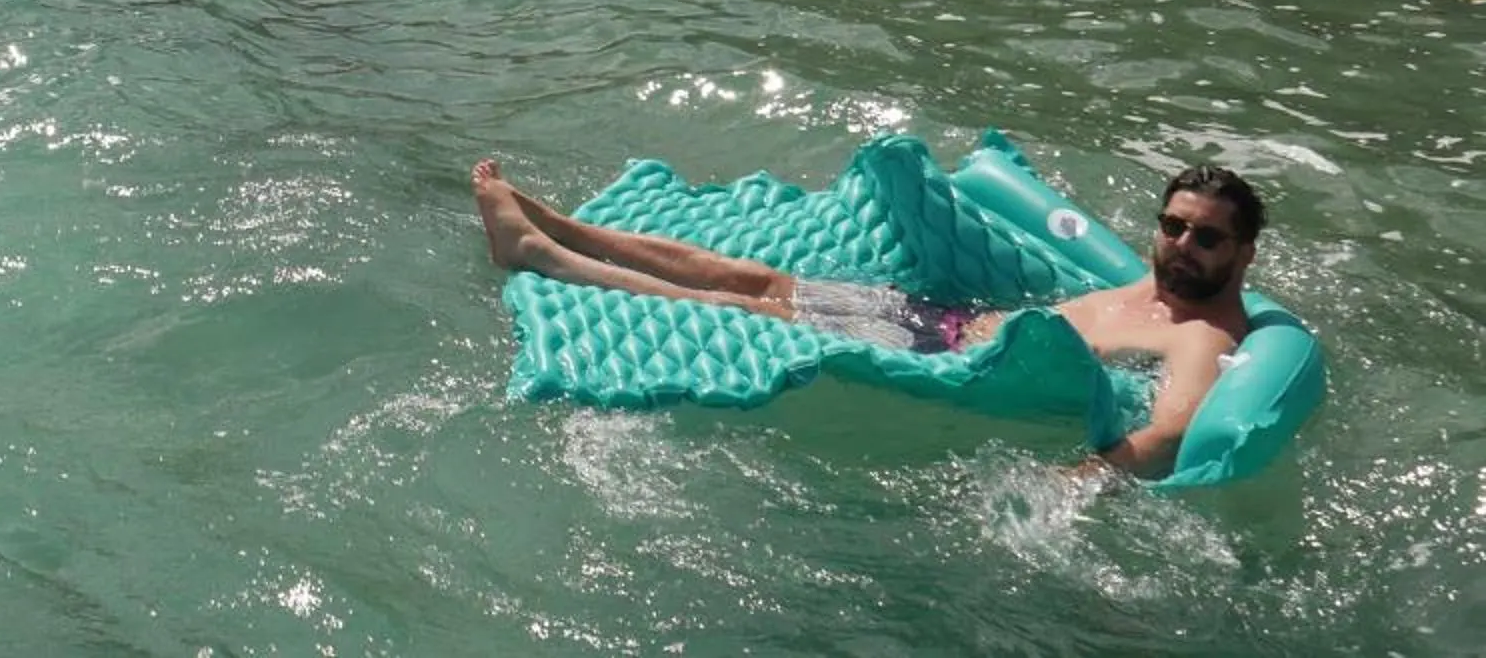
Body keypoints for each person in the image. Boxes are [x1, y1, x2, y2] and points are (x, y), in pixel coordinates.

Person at [472, 155, 1263, 481]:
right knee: (758, 277)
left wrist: (1072, 485)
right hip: (937, 319)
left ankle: (546, 258)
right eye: (1173, 226)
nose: (1182, 245)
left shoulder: (1200, 335)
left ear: (1243, 253)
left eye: (1205, 238)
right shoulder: (1139, 286)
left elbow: (1167, 434)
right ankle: (557, 224)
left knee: (744, 308)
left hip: (945, 360)